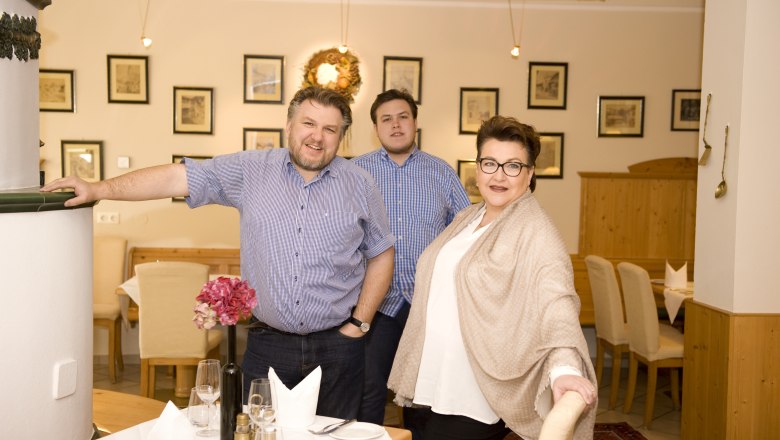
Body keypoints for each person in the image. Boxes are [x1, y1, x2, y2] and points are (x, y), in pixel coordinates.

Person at [42, 87, 395, 419]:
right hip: (269, 345)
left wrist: (359, 323)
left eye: (330, 129)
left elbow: (381, 252)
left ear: (341, 136)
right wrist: (100, 187)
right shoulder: (250, 170)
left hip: (339, 346)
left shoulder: (360, 183)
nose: (317, 136)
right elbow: (175, 178)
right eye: (308, 123)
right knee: (257, 434)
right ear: (289, 126)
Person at [387, 116, 597, 440]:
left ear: (529, 174)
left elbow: (557, 302)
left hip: (472, 394)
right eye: (490, 163)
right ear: (477, 167)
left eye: (513, 166)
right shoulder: (468, 216)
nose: (498, 175)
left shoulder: (535, 231)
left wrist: (566, 368)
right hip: (432, 381)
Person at [353, 89, 471, 427]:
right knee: (369, 389)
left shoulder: (441, 172)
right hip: (375, 303)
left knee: (421, 395)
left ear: (415, 123)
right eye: (386, 119)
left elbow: (463, 233)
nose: (395, 125)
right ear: (375, 127)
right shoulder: (357, 172)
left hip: (426, 305)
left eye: (402, 116)